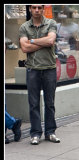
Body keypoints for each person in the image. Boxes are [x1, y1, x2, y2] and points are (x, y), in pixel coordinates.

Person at [19, 5, 60, 145]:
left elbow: (50, 41)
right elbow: (24, 48)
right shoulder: (24, 27)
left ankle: (50, 132)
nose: (37, 10)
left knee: (50, 103)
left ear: (43, 9)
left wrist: (31, 41)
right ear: (30, 9)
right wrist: (43, 42)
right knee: (34, 103)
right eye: (34, 7)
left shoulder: (51, 23)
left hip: (49, 68)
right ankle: (35, 133)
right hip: (32, 69)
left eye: (39, 7)